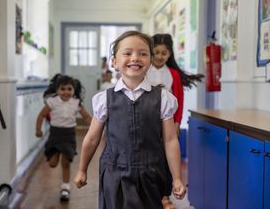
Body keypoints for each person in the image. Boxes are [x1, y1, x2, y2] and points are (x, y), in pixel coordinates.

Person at [74, 30, 186, 209]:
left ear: (150, 61)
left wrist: (177, 177)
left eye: (143, 53)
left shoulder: (163, 99)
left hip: (151, 172)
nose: (135, 58)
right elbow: (92, 138)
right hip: (114, 172)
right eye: (127, 53)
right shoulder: (104, 99)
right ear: (115, 62)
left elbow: (170, 140)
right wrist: (82, 169)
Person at [147, 34, 203, 208]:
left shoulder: (173, 75)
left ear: (170, 54)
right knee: (149, 159)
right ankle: (150, 194)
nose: (159, 56)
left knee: (167, 161)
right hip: (148, 123)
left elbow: (179, 99)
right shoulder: (144, 70)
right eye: (156, 52)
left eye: (164, 53)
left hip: (168, 124)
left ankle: (165, 197)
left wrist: (177, 123)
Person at [35, 75, 91, 202]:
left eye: (69, 89)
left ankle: (65, 187)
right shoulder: (52, 102)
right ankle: (55, 156)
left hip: (69, 135)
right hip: (55, 135)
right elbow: (41, 115)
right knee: (53, 163)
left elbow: (87, 117)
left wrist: (96, 127)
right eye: (63, 89)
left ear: (73, 90)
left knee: (66, 163)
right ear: (57, 90)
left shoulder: (76, 102)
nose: (66, 92)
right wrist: (38, 129)